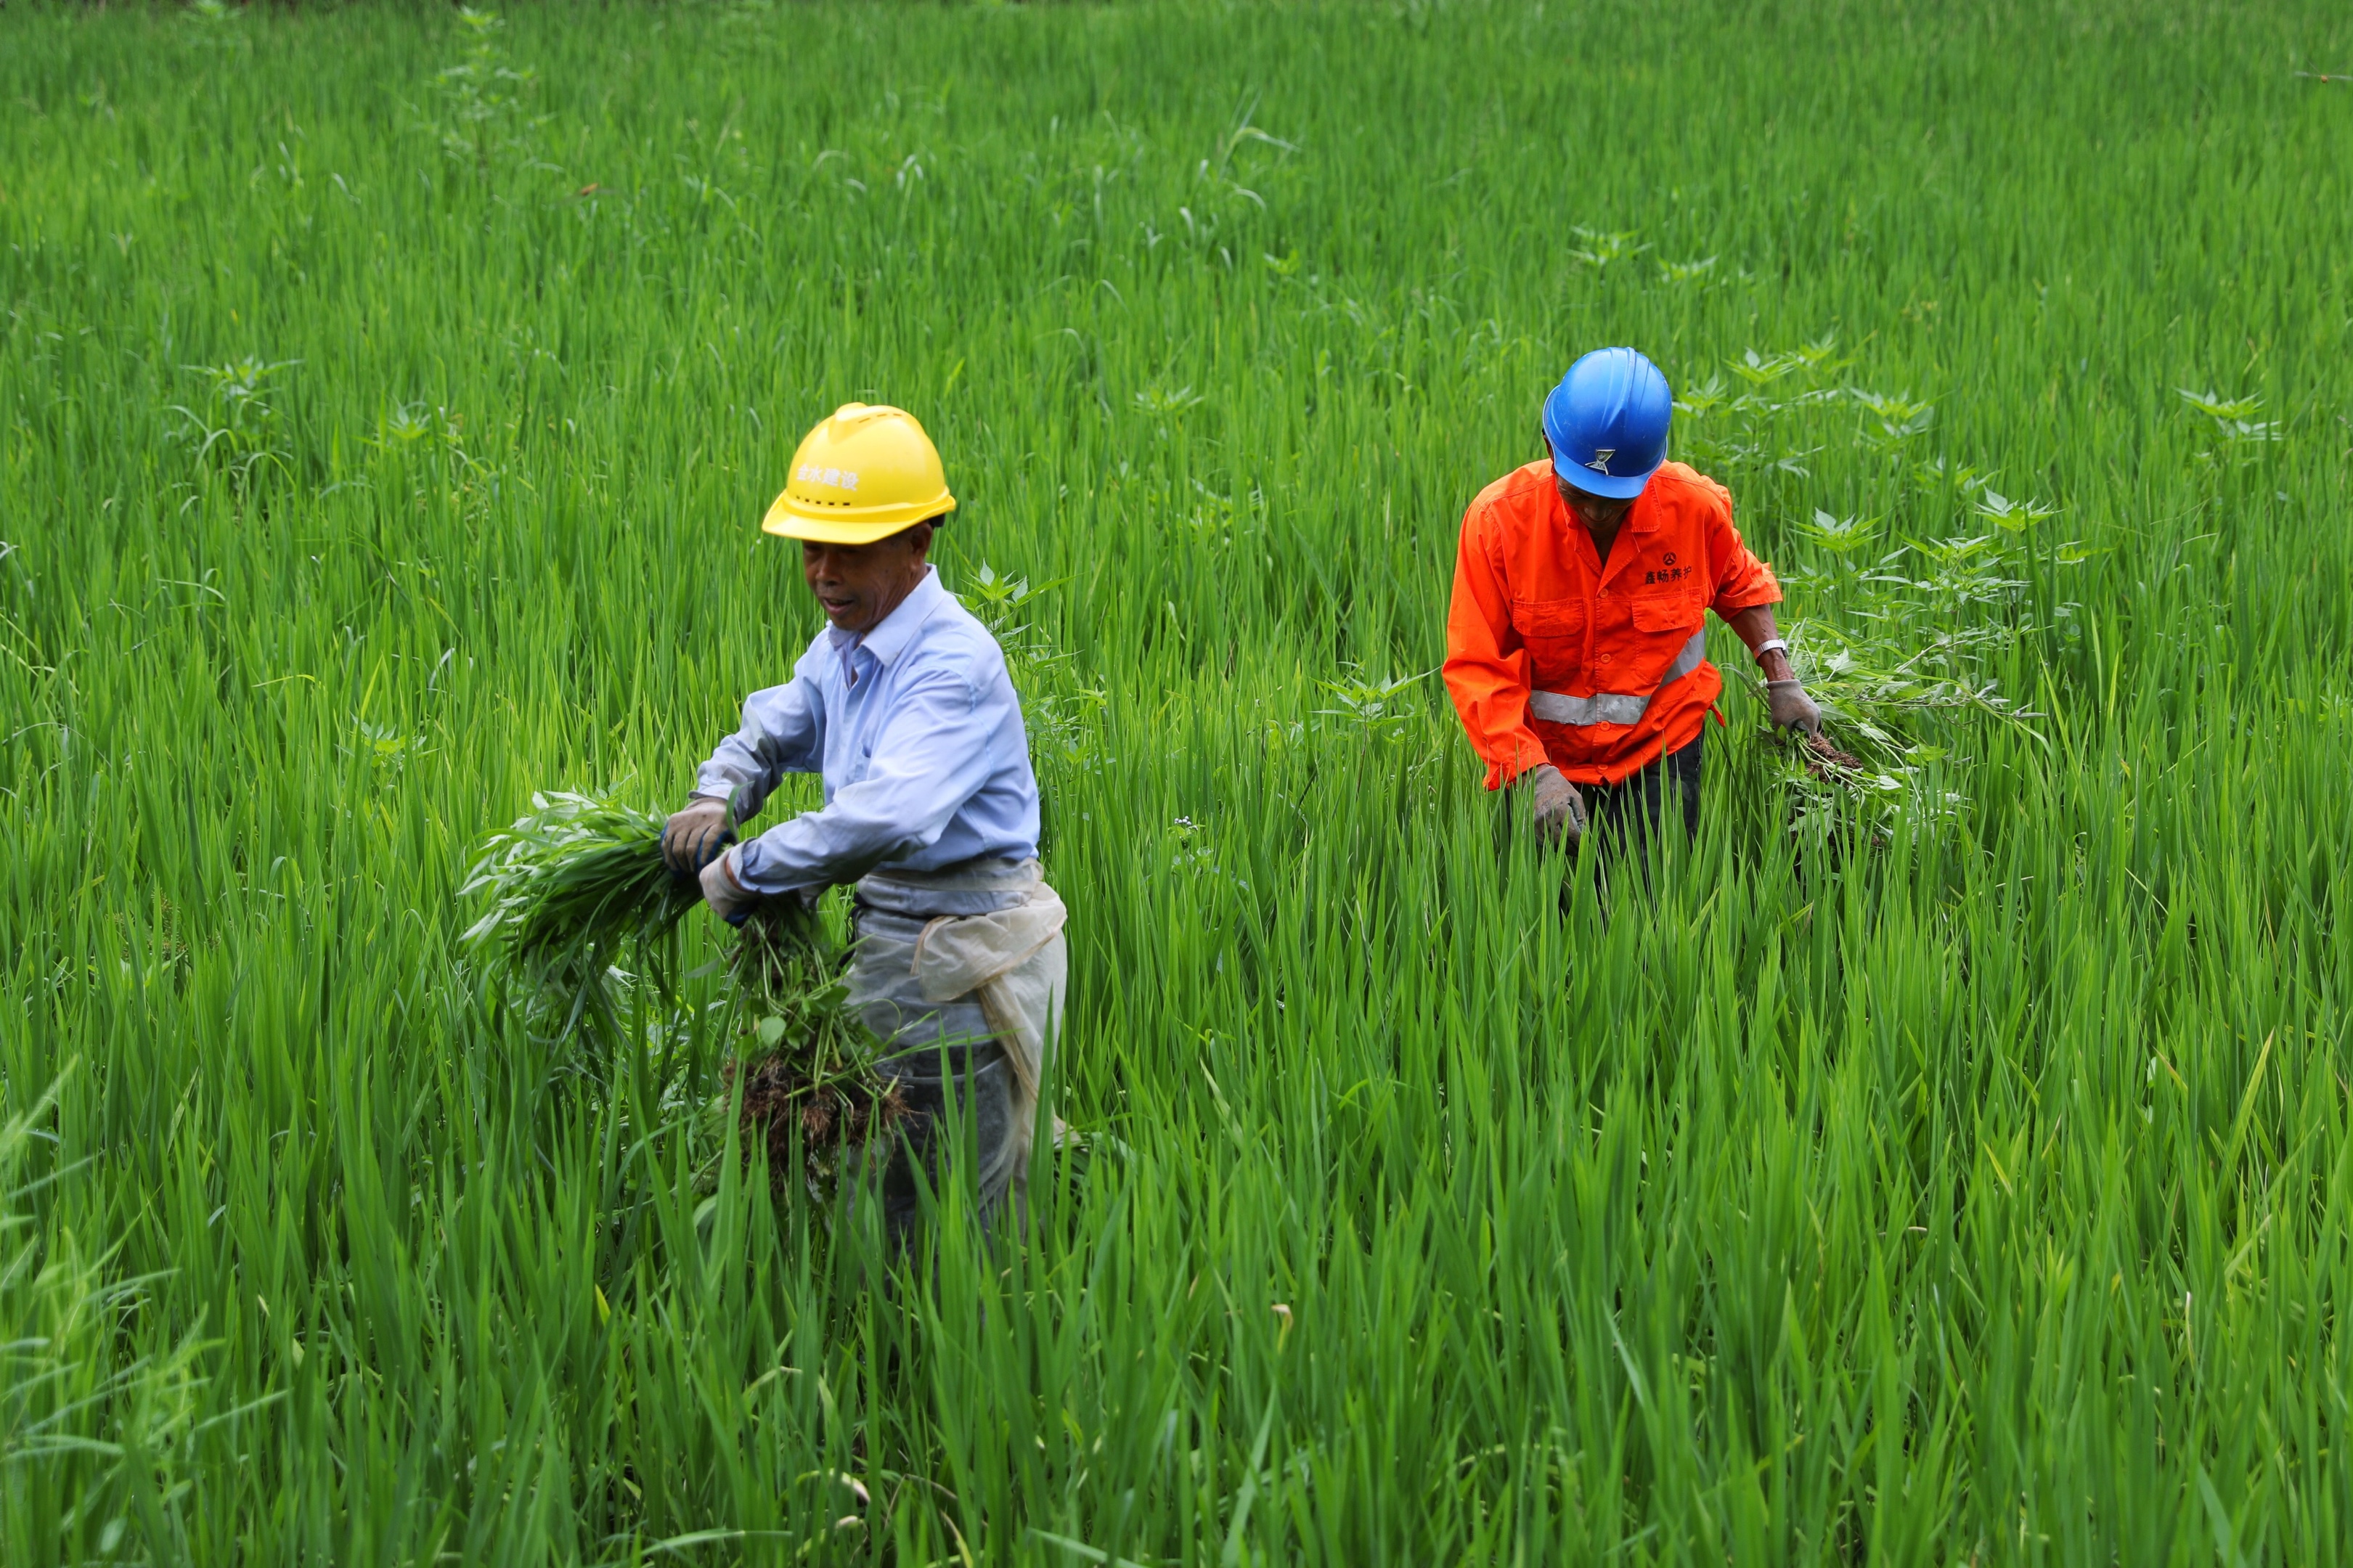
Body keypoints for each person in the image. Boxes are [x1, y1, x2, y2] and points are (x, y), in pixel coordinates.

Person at [660, 401, 1066, 1240]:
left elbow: (891, 815)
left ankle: (961, 1352)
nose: (822, 573)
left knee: (945, 1208)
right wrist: (718, 791)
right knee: (873, 1188)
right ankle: (882, 1338)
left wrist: (746, 870)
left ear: (918, 544)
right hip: (893, 943)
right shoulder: (850, 638)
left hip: (960, 959)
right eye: (811, 550)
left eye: (849, 550)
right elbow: (782, 720)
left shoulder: (950, 665)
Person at [1443, 347, 1823, 857]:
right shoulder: (1498, 524)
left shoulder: (1692, 508)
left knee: (1648, 913)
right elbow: (1477, 665)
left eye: (1615, 497)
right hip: (1546, 758)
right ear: (1549, 449)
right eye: (1579, 494)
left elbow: (1741, 586)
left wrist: (1782, 679)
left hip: (1661, 748)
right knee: (1552, 917)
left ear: (1651, 469)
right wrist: (1530, 772)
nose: (1597, 512)